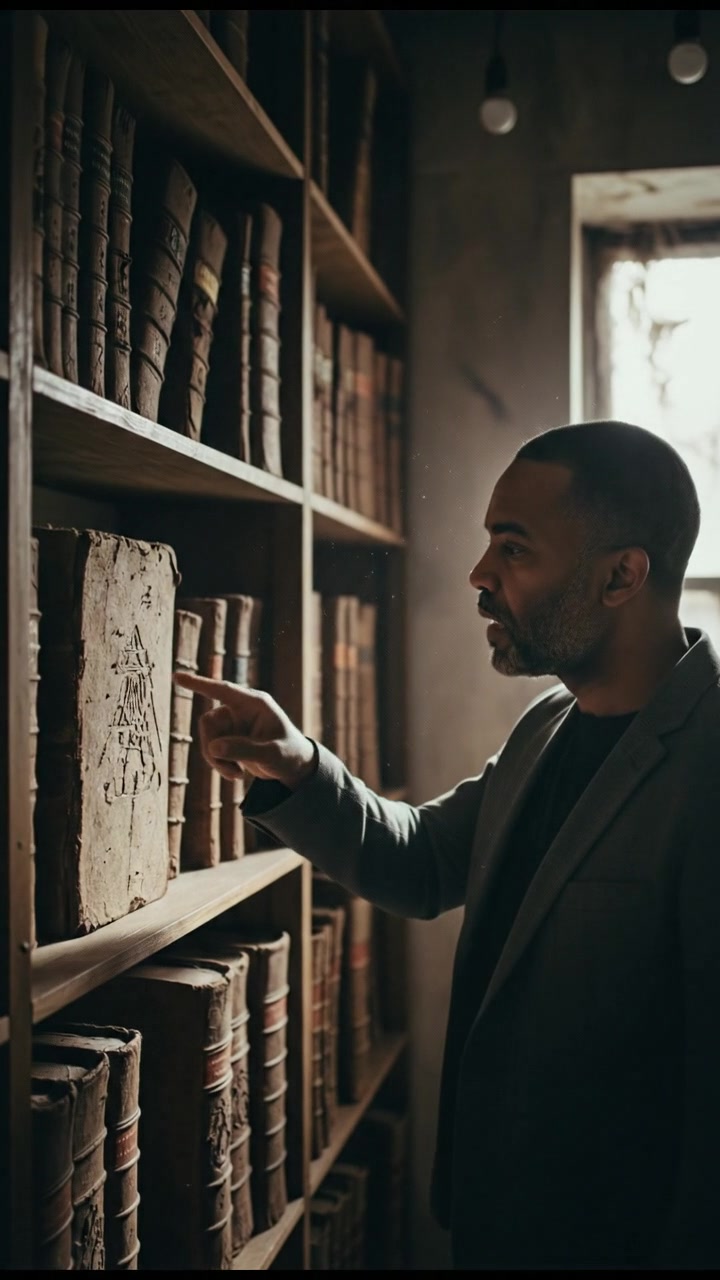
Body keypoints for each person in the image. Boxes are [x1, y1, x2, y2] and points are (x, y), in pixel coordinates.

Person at [173, 419, 720, 1271]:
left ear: (623, 576)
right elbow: (426, 860)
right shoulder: (549, 724)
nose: (479, 576)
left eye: (514, 549)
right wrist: (300, 769)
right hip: (499, 1219)